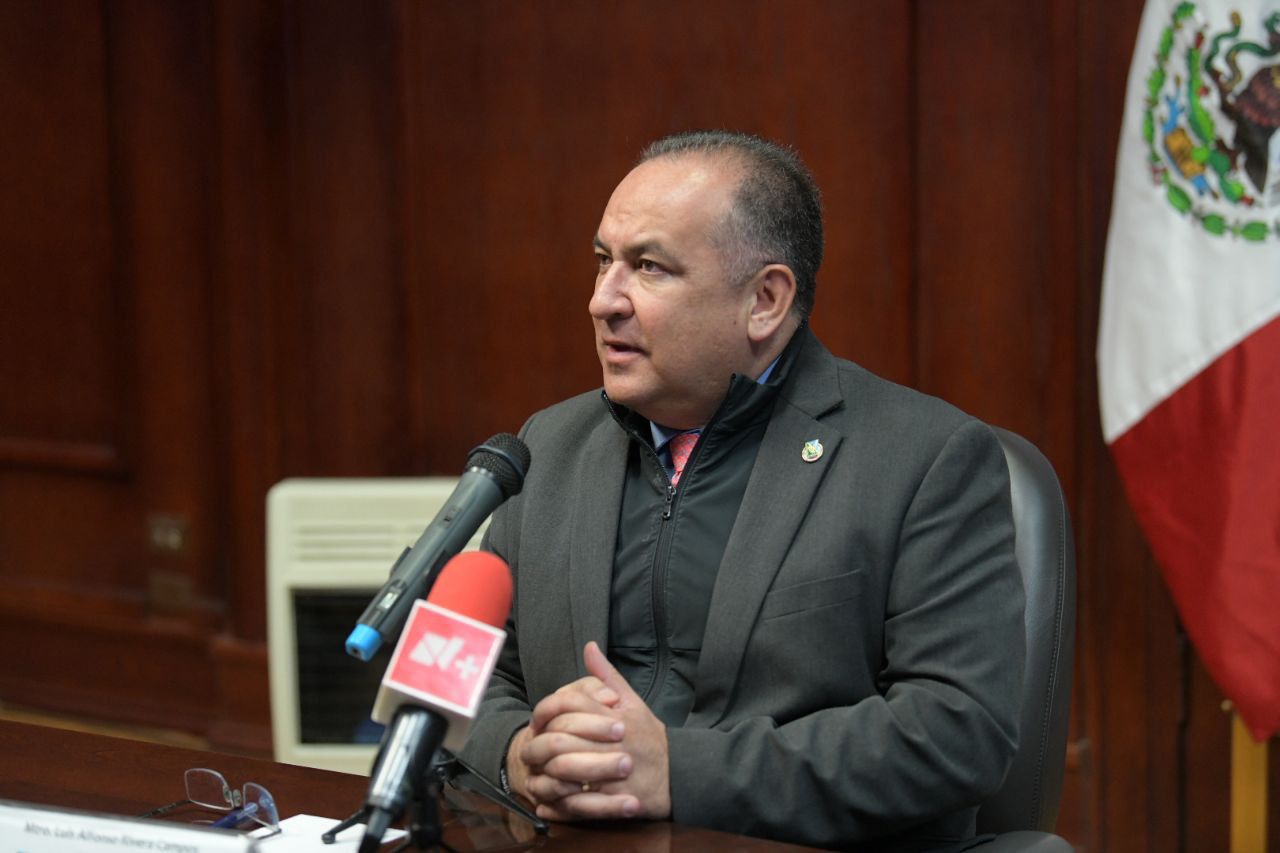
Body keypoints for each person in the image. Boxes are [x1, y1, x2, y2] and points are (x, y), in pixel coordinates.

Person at [458, 130, 1025, 851]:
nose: (603, 300)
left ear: (765, 300)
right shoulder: (547, 446)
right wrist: (517, 754)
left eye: (649, 267)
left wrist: (682, 772)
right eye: (603, 260)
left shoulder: (923, 459)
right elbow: (465, 672)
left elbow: (957, 730)